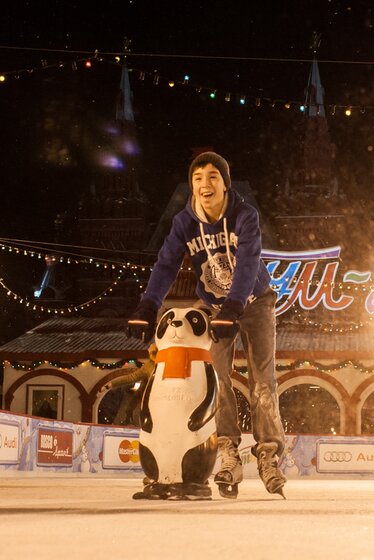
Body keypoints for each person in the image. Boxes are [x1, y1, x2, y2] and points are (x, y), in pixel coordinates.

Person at [127, 151, 286, 499]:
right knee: (217, 377)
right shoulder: (184, 222)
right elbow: (166, 263)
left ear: (225, 184)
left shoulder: (245, 215)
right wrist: (148, 303)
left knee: (262, 380)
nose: (204, 184)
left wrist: (234, 304)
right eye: (198, 178)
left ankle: (269, 453)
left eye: (213, 176)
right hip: (217, 308)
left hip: (256, 303)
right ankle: (228, 449)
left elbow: (247, 262)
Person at [97, 343, 158, 426]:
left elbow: (131, 378)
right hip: (152, 400)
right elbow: (131, 378)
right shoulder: (149, 366)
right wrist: (111, 384)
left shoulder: (153, 366)